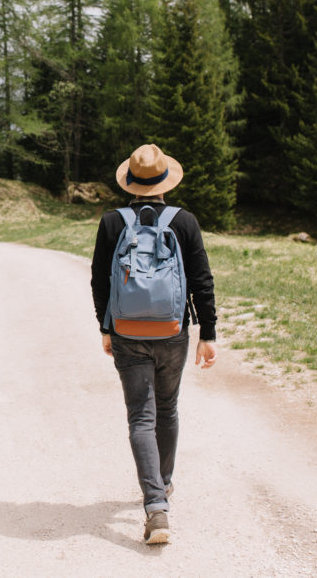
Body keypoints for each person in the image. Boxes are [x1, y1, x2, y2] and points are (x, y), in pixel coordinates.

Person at [90, 143, 220, 545]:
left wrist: (106, 328)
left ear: (130, 182)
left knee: (140, 417)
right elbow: (201, 280)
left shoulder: (113, 222)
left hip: (128, 332)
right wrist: (208, 333)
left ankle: (156, 508)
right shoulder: (185, 222)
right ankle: (162, 484)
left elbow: (100, 281)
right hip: (172, 332)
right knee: (167, 408)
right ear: (165, 181)